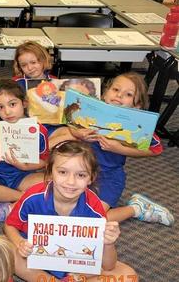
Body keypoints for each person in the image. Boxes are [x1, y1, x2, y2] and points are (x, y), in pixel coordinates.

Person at [49, 72, 173, 226]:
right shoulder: (90, 110)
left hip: (108, 177)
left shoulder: (136, 123)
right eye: (115, 90)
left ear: (137, 105)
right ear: (105, 93)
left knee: (89, 221)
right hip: (77, 172)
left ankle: (136, 208)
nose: (119, 96)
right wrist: (78, 133)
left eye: (128, 94)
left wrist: (120, 149)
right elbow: (70, 121)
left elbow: (156, 149)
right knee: (53, 211)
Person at [4, 141, 137, 281]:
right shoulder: (33, 197)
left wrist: (109, 243)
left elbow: (108, 265)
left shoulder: (94, 207)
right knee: (4, 248)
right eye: (62, 172)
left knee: (128, 275)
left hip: (74, 265)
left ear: (91, 178)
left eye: (80, 175)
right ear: (50, 172)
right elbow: (10, 225)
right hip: (35, 257)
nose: (71, 182)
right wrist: (19, 243)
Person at [0, 80, 49, 222]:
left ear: (24, 103)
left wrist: (24, 166)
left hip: (23, 176)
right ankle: (22, 199)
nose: (7, 111)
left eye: (12, 104)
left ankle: (6, 202)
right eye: (0, 107)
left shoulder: (39, 130)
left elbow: (44, 161)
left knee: (52, 184)